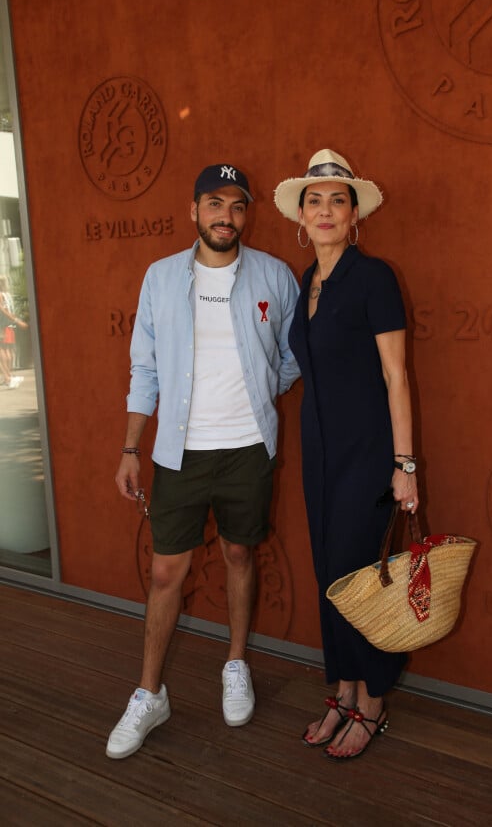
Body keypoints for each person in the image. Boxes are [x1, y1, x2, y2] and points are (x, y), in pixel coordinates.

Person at [107, 163, 300, 759]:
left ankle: (235, 663)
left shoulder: (274, 275)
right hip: (179, 452)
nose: (226, 216)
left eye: (237, 206)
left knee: (240, 552)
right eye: (214, 204)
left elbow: (292, 358)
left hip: (247, 449)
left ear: (246, 214)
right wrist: (131, 446)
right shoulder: (161, 278)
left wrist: (253, 399)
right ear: (194, 211)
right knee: (167, 572)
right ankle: (148, 694)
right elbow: (145, 369)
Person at [274, 149, 418, 761]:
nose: (325, 210)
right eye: (315, 200)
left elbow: (396, 377)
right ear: (300, 218)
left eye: (337, 199)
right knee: (330, 574)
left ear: (354, 213)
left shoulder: (374, 277)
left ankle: (374, 700)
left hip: (367, 452)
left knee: (363, 576)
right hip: (319, 448)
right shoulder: (307, 282)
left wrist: (404, 465)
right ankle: (343, 688)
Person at [0, 274, 26, 389]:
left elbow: (2, 309)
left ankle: (8, 378)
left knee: (3, 350)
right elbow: (6, 309)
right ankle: (9, 376)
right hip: (7, 323)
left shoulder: (1, 295)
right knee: (7, 349)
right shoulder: (6, 295)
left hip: (3, 323)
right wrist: (16, 320)